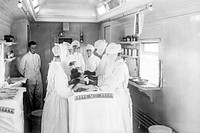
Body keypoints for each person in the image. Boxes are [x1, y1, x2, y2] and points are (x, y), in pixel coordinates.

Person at [99, 43, 133, 133]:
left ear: (115, 55)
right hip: (112, 95)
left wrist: (100, 89)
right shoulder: (114, 65)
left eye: (110, 55)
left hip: (118, 96)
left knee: (118, 123)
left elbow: (113, 83)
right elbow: (107, 78)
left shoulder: (121, 67)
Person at [41, 44, 73, 133]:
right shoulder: (58, 69)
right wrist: (72, 92)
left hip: (52, 99)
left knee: (52, 126)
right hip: (57, 101)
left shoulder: (53, 65)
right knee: (58, 126)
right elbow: (61, 90)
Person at [19, 41, 43, 110]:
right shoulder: (25, 57)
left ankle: (38, 111)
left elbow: (39, 66)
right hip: (30, 79)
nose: (34, 49)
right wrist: (27, 76)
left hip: (38, 78)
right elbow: (21, 69)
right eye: (32, 48)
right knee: (30, 96)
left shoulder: (37, 56)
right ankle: (31, 112)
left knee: (38, 95)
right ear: (29, 48)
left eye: (35, 48)